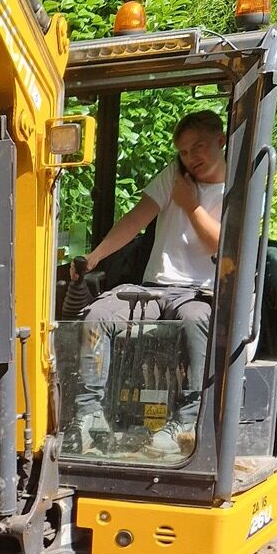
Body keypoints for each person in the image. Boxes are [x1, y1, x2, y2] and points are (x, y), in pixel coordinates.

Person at [68, 108, 226, 453]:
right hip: (153, 289)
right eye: (183, 151)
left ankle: (187, 423)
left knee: (198, 320)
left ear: (221, 140)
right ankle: (89, 416)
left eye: (198, 147)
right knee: (97, 316)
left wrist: (191, 206)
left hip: (202, 292)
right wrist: (93, 258)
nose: (190, 158)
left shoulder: (241, 188)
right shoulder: (175, 177)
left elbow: (223, 244)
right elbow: (135, 219)